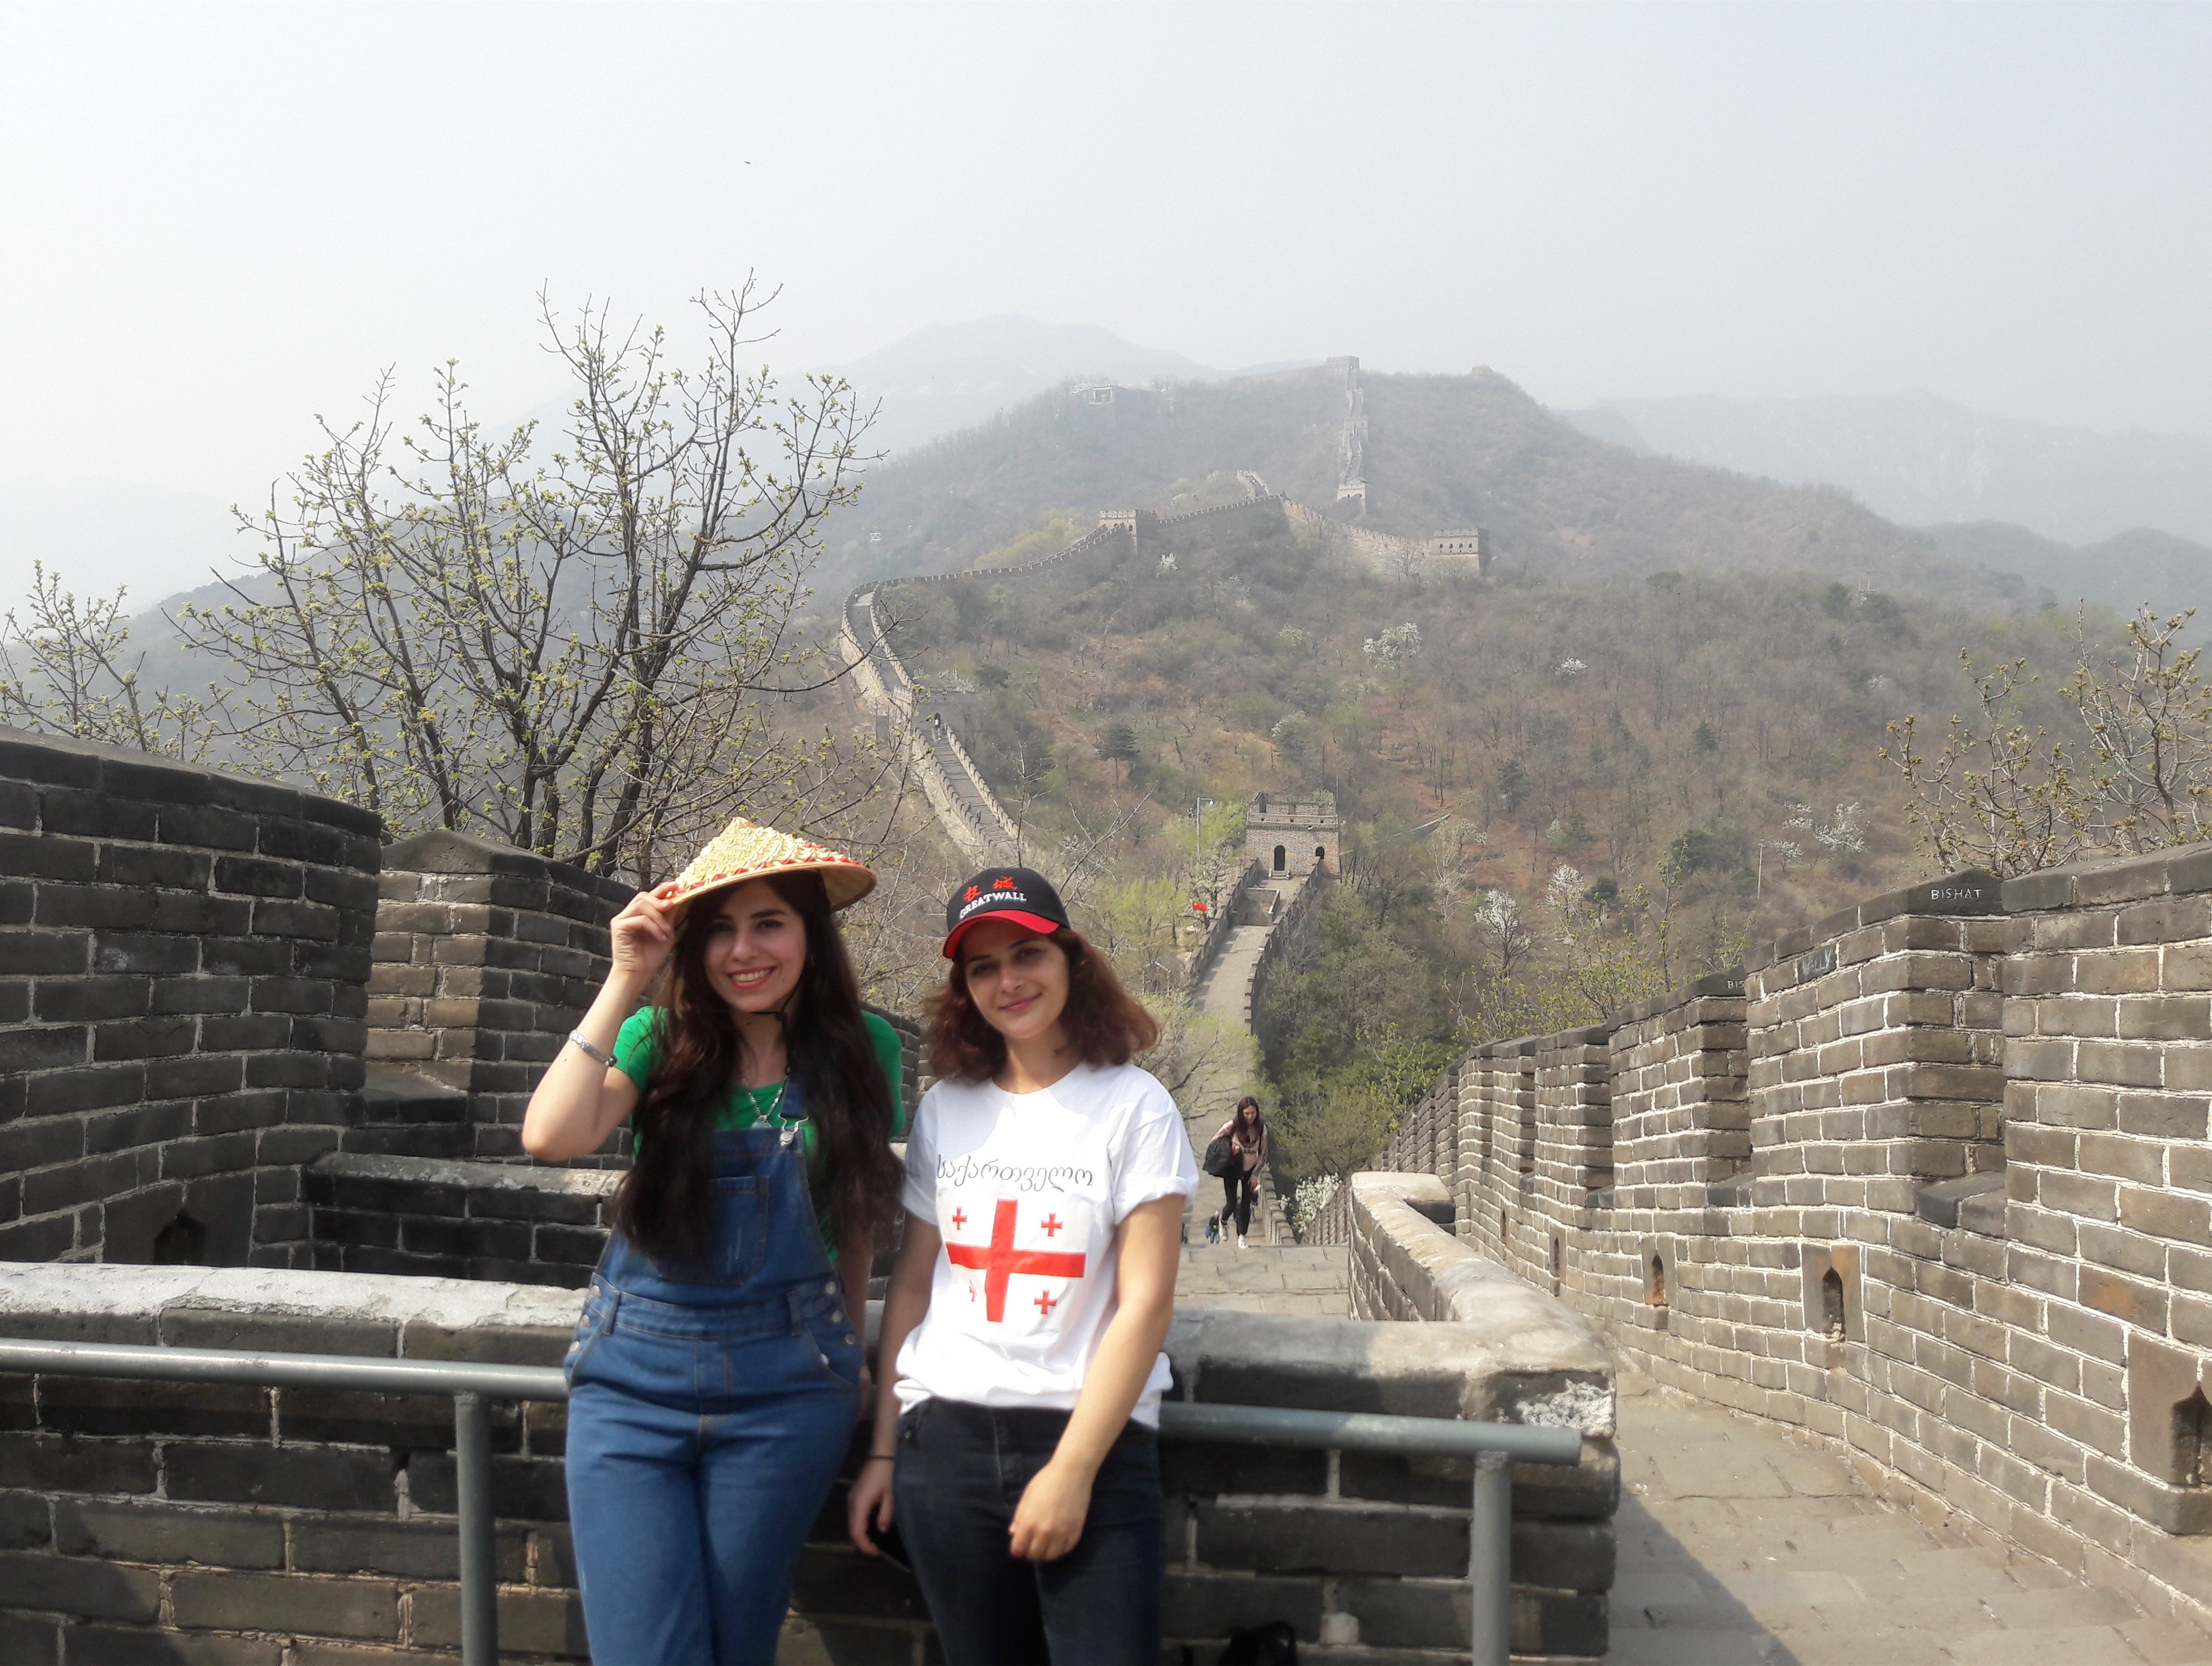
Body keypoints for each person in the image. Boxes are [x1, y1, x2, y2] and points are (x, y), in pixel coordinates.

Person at [522, 816, 904, 1666]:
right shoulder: (659, 1042)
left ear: (810, 933)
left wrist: (851, 1352)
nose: (743, 951)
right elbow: (550, 1136)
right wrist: (626, 977)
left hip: (788, 1387)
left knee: (738, 1644)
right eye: (720, 930)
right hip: (633, 1385)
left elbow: (853, 1219)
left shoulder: (863, 1050)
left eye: (769, 923)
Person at [847, 865, 1198, 1665]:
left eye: (1027, 954)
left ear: (1071, 959)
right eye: (983, 967)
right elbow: (913, 1285)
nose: (1008, 981)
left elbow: (1146, 1304)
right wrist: (884, 1452)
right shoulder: (947, 1107)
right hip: (946, 1443)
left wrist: (1072, 1470)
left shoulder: (1135, 1106)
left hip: (1091, 1441)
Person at [1213, 1096, 1269, 1250]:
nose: (1250, 1117)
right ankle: (1223, 1220)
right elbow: (1216, 1141)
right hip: (1233, 1168)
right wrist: (1230, 1148)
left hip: (1250, 1170)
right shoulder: (1233, 1125)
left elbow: (1263, 1153)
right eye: (1247, 1113)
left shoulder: (1261, 1129)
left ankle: (1242, 1236)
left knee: (1246, 1204)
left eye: (1253, 1113)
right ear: (1241, 1113)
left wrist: (1256, 1175)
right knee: (1232, 1202)